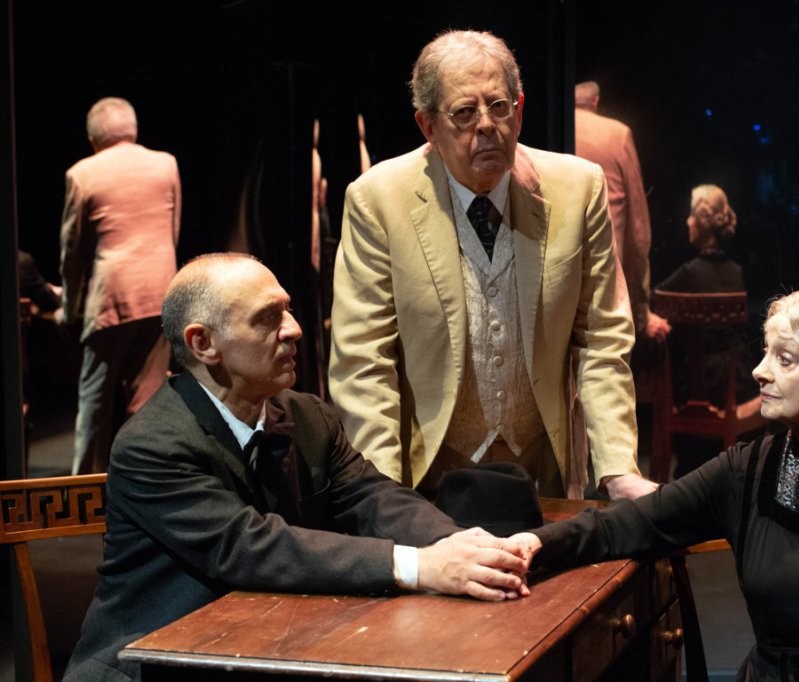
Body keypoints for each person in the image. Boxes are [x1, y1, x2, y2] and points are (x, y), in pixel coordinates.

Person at [64, 253, 530, 681]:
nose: (293, 329)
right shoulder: (151, 445)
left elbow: (372, 496)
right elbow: (250, 547)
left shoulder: (306, 415)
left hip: (265, 648)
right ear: (203, 343)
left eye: (286, 310)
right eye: (267, 318)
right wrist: (420, 566)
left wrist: (459, 546)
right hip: (153, 662)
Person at [510, 288, 799, 681]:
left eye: (784, 359)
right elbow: (628, 524)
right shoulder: (747, 470)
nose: (759, 371)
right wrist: (533, 544)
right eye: (765, 353)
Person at [328, 30, 656, 501]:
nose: (486, 125)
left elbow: (603, 340)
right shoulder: (377, 200)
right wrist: (383, 496)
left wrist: (618, 469)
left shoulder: (579, 188)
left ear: (519, 112)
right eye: (464, 113)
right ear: (427, 126)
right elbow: (364, 361)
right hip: (429, 482)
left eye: (499, 107)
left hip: (543, 478)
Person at [60, 96, 180, 475]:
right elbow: (172, 231)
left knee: (94, 401)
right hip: (161, 291)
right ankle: (149, 479)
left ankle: (83, 487)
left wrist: (70, 308)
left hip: (111, 299)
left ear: (93, 139)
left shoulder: (82, 174)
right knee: (148, 400)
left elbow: (72, 251)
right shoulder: (166, 163)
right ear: (134, 129)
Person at [574, 80, 670, 343]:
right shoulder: (617, 135)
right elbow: (638, 231)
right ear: (596, 102)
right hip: (604, 281)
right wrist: (641, 312)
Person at [658, 184, 760, 416]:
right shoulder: (736, 272)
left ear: (702, 221)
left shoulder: (689, 273)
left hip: (699, 387)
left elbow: (651, 302)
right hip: (740, 383)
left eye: (692, 215)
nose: (688, 221)